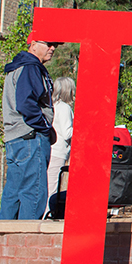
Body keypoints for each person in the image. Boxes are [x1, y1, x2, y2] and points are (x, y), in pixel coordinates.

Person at [0, 38, 56, 220]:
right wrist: (44, 127)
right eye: (48, 44)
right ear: (33, 45)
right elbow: (26, 104)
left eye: (54, 45)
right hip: (30, 138)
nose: (52, 48)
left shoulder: (18, 67)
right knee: (33, 193)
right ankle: (27, 243)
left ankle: (6, 243)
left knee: (13, 194)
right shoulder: (31, 67)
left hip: (14, 139)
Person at [45, 77, 75, 211]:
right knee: (52, 186)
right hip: (58, 152)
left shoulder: (54, 106)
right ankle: (48, 215)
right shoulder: (64, 107)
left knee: (49, 184)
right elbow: (67, 132)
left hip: (51, 150)